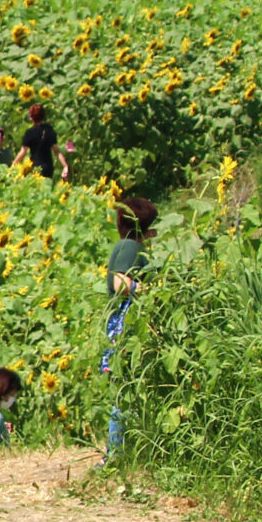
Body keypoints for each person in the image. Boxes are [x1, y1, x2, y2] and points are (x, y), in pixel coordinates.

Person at [101, 193, 156, 451]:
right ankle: (117, 451)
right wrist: (150, 290)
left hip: (122, 324)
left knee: (127, 389)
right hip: (127, 324)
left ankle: (121, 449)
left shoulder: (130, 246)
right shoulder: (129, 247)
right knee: (126, 389)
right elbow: (120, 283)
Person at [20, 102, 65, 179]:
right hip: (48, 167)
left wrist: (14, 164)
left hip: (35, 167)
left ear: (31, 117)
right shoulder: (49, 130)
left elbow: (23, 152)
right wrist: (65, 165)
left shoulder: (30, 132)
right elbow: (57, 151)